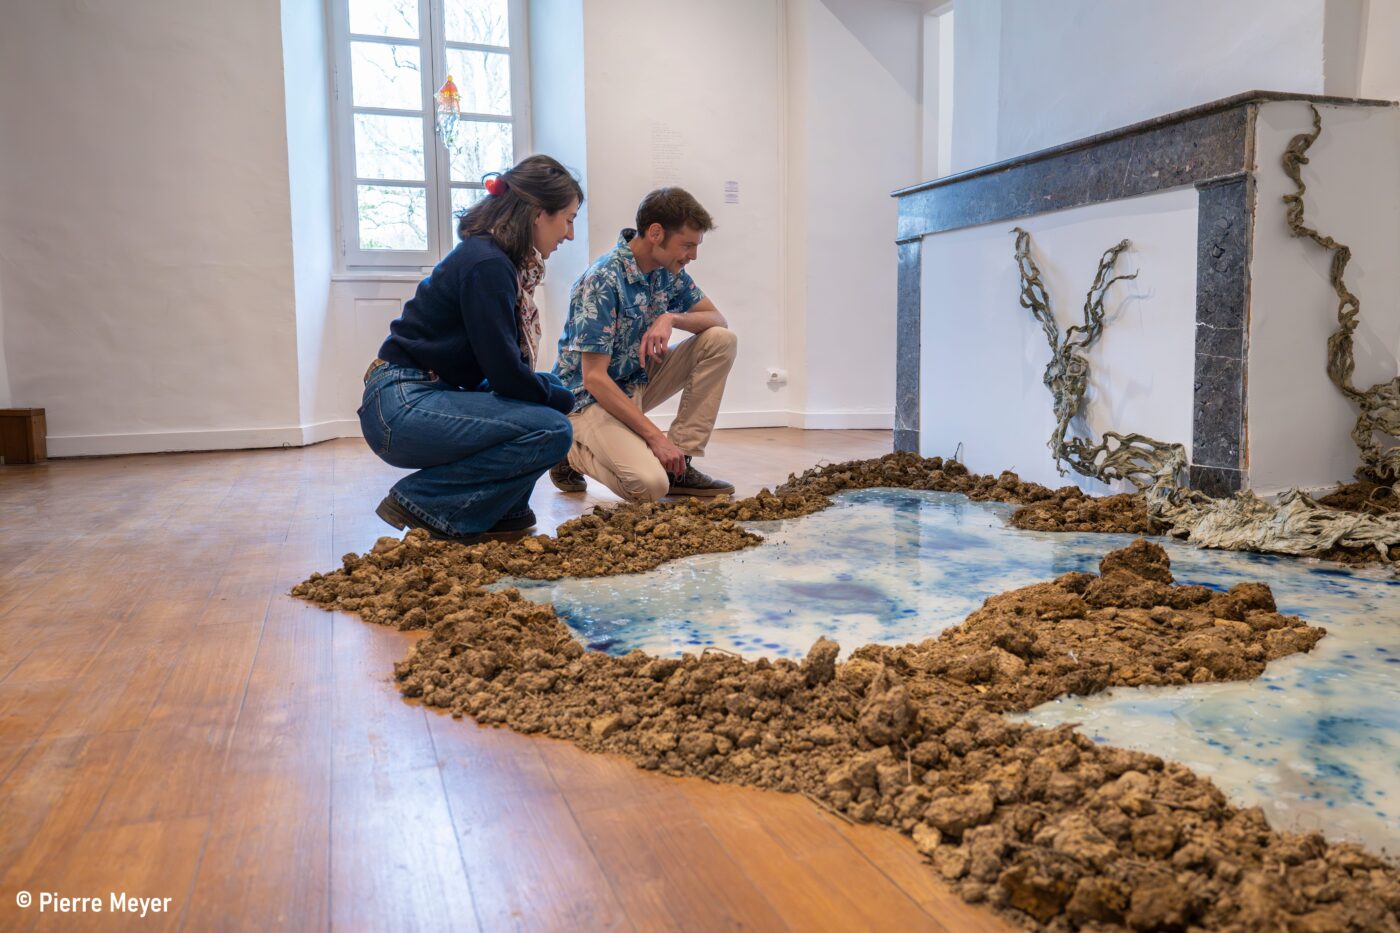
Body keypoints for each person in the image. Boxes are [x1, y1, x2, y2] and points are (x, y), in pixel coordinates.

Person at [358, 155, 581, 541]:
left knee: (543, 392)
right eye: (569, 218)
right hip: (401, 406)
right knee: (553, 427)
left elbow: (506, 372)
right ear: (538, 214)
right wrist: (563, 400)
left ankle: (501, 509)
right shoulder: (488, 265)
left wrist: (549, 392)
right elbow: (506, 374)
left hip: (416, 393)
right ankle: (424, 502)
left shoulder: (496, 261)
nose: (570, 234)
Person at [550, 187, 738, 501]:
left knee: (720, 341)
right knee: (649, 487)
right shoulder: (602, 279)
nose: (693, 255)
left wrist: (672, 319)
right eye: (687, 245)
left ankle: (680, 464)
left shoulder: (669, 272)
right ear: (655, 233)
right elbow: (594, 378)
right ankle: (567, 450)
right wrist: (655, 438)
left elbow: (718, 320)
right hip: (586, 400)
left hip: (634, 381)